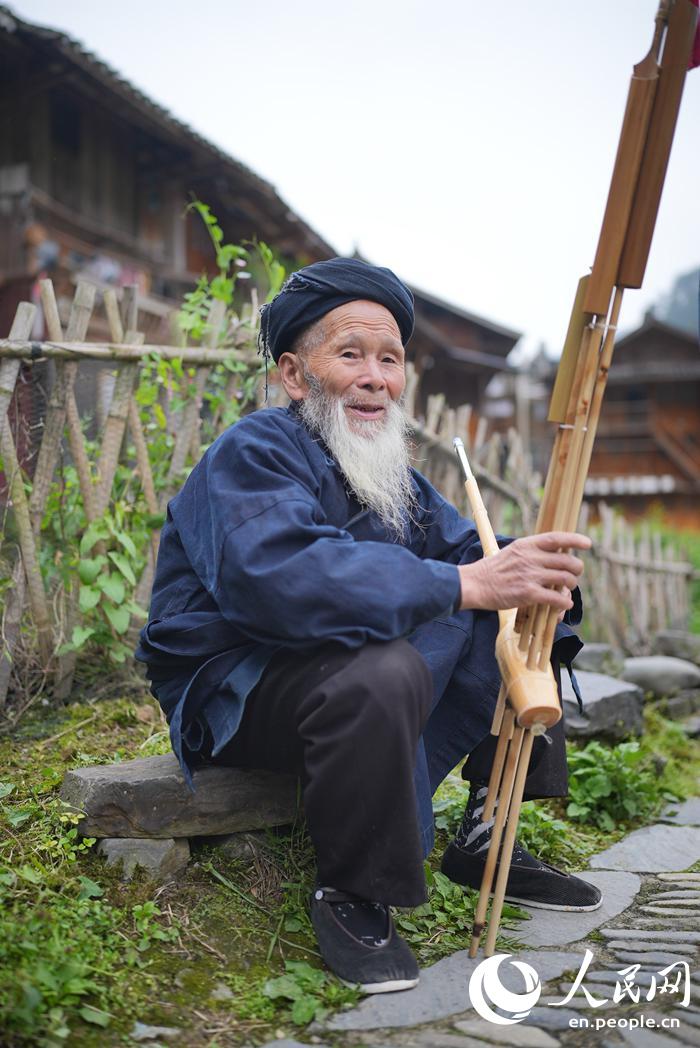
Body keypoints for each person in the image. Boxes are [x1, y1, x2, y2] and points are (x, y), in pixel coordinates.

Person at [136, 257, 600, 995]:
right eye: (350, 354)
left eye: (390, 360)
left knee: (514, 613)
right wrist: (468, 581)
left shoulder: (397, 481)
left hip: (332, 665)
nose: (375, 377)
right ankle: (353, 890)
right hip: (243, 680)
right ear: (295, 375)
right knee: (389, 665)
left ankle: (487, 833)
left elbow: (466, 557)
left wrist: (526, 570)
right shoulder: (252, 452)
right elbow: (281, 584)